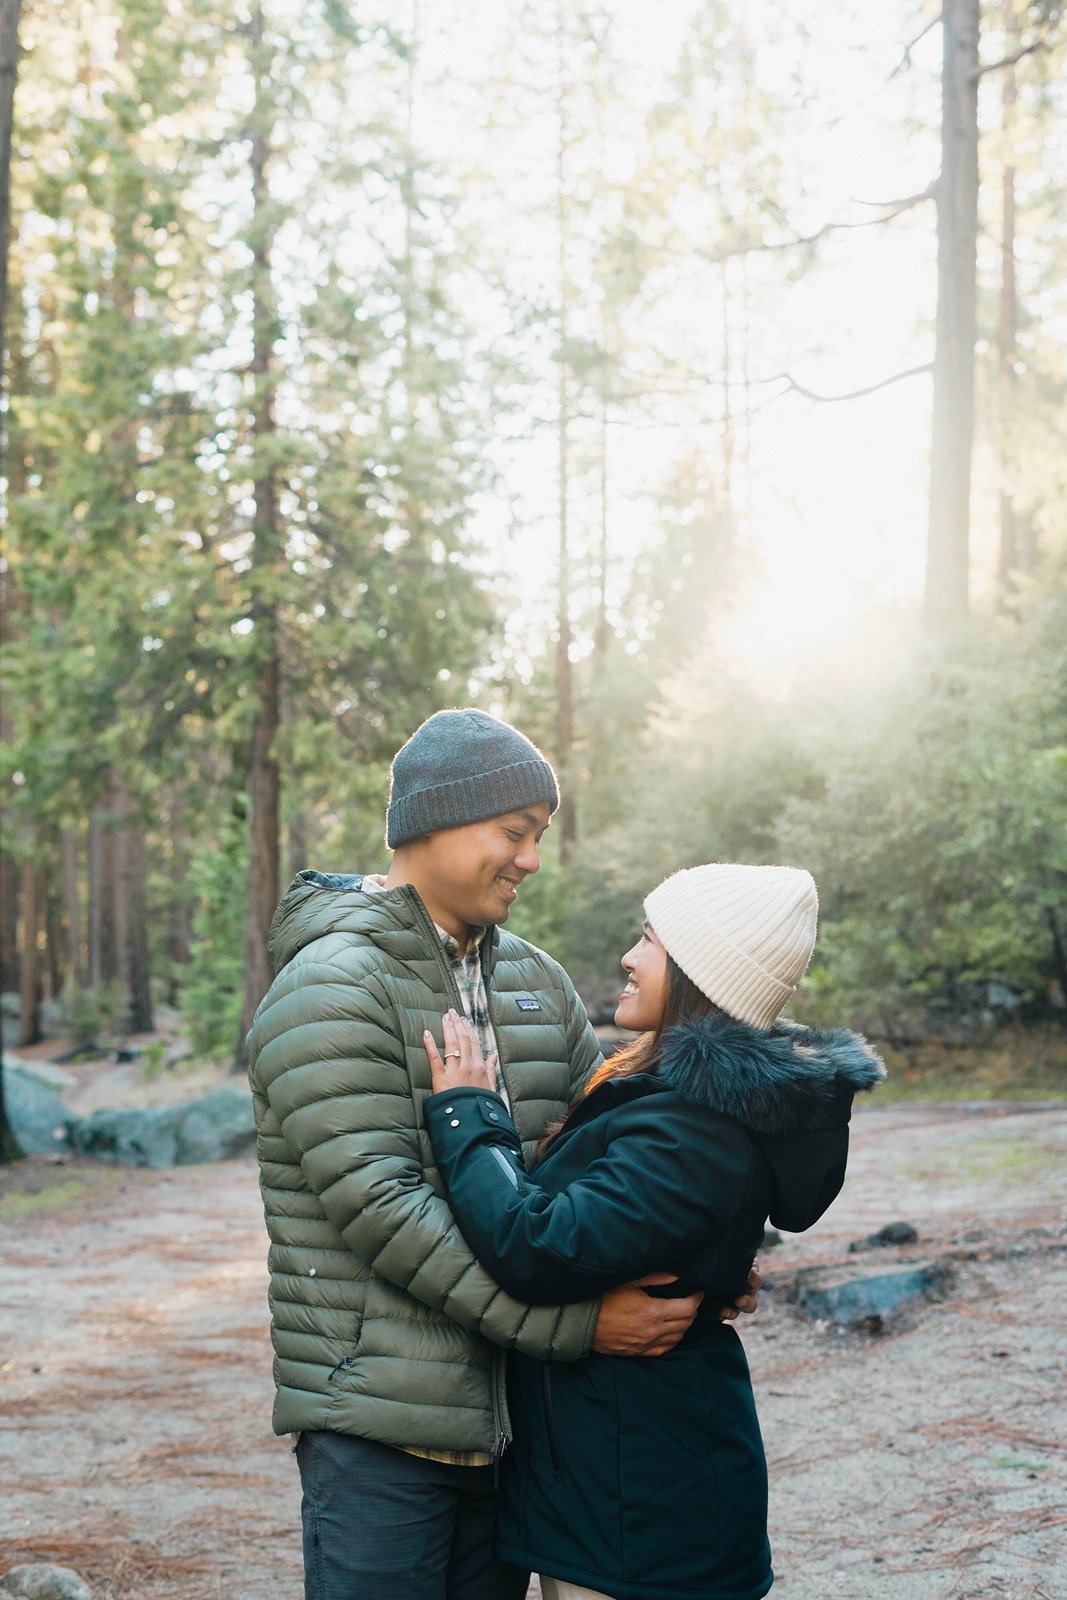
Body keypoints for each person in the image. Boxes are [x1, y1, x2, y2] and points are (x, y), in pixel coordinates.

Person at [246, 709, 757, 1600]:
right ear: (432, 823)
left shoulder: (535, 980)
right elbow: (386, 1216)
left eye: (538, 837)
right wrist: (578, 1326)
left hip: (520, 1428)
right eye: (514, 833)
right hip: (382, 1429)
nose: (531, 859)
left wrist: (703, 1264)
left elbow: (610, 1161)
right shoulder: (330, 986)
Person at [423, 861, 886, 1600]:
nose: (629, 958)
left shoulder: (690, 1129)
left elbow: (536, 1248)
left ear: (701, 971)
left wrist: (467, 1115)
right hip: (622, 1486)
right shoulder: (675, 1101)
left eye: (649, 940)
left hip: (641, 1512)